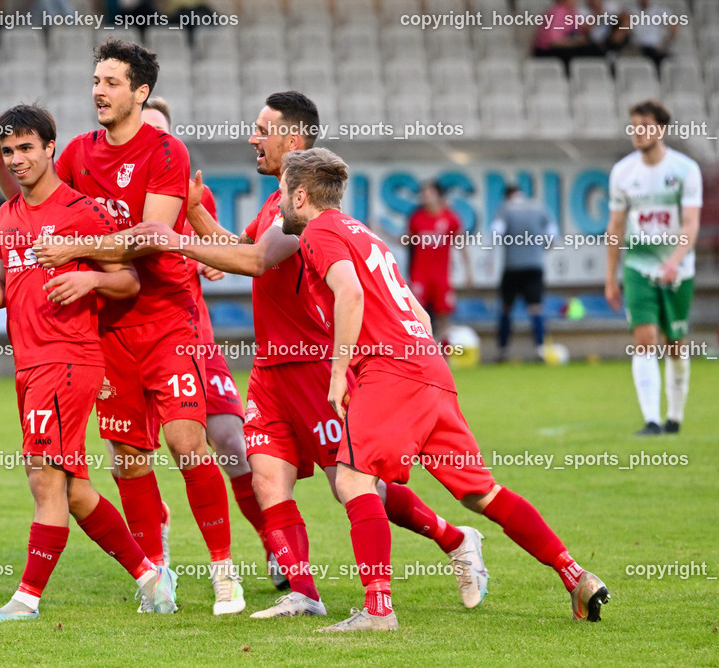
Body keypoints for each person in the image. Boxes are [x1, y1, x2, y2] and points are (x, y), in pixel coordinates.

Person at [132, 92, 489, 619]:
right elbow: (241, 249)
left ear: (291, 140)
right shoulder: (272, 207)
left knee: (353, 486)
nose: (252, 138)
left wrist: (177, 241)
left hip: (318, 366)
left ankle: (456, 539)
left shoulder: (303, 213)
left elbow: (254, 260)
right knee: (266, 477)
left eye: (261, 129)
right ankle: (303, 592)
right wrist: (193, 216)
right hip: (272, 370)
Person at [281, 147, 610, 632]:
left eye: (283, 192)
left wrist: (338, 373)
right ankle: (575, 574)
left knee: (352, 481)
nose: (280, 201)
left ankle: (377, 611)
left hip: (391, 371)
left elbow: (349, 293)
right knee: (481, 493)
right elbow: (421, 314)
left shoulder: (320, 232)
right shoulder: (363, 233)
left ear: (301, 195)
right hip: (429, 366)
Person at [0, 39, 243, 615]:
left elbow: (150, 235)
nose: (99, 90)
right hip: (104, 328)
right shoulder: (76, 151)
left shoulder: (166, 151)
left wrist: (78, 251)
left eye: (112, 81)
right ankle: (155, 573)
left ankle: (223, 571)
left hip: (165, 314)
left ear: (140, 92)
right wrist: (2, 166)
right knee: (127, 459)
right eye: (96, 79)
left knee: (187, 442)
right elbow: (38, 202)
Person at [0, 103, 177, 622]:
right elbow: (8, 286)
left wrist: (91, 279)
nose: (18, 158)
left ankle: (25, 600)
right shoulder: (7, 215)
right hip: (28, 363)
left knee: (44, 479)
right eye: (9, 151)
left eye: (27, 148)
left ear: (51, 148)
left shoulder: (82, 210)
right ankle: (150, 578)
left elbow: (128, 280)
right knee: (73, 489)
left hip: (67, 358)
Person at [139, 97, 269, 581]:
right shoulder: (108, 192)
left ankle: (272, 546)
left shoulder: (195, 195)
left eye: (160, 135)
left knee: (231, 443)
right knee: (129, 453)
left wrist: (204, 259)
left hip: (188, 336)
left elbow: (219, 252)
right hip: (128, 337)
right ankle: (155, 554)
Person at [606, 100, 700, 436]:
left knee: (675, 343)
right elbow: (615, 227)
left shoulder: (686, 170)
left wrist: (674, 261)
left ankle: (674, 416)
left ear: (661, 129)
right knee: (644, 339)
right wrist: (610, 278)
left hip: (678, 269)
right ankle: (652, 420)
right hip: (638, 265)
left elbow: (690, 225)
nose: (637, 132)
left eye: (644, 125)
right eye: (633, 125)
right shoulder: (623, 172)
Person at [491, 185, 559, 362]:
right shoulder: (539, 207)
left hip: (512, 266)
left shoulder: (505, 209)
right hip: (534, 266)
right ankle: (540, 350)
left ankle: (503, 351)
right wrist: (538, 249)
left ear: (507, 196)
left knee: (506, 308)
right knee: (536, 308)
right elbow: (553, 234)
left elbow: (496, 232)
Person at [404, 181, 473, 338]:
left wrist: (469, 272)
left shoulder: (450, 218)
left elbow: (461, 245)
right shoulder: (417, 218)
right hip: (419, 274)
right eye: (423, 193)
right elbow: (405, 241)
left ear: (438, 195)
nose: (425, 196)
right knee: (416, 315)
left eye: (429, 192)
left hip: (441, 275)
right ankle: (420, 353)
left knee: (444, 316)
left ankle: (443, 354)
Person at [532, 0, 601, 71]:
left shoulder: (571, 12)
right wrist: (575, 42)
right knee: (570, 53)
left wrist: (596, 14)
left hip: (564, 46)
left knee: (594, 49)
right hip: (545, 50)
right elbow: (554, 41)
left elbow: (583, 29)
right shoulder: (558, 12)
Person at [626, 0, 677, 71]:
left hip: (654, 48)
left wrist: (664, 44)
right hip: (638, 48)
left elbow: (673, 28)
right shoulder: (631, 10)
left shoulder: (660, 10)